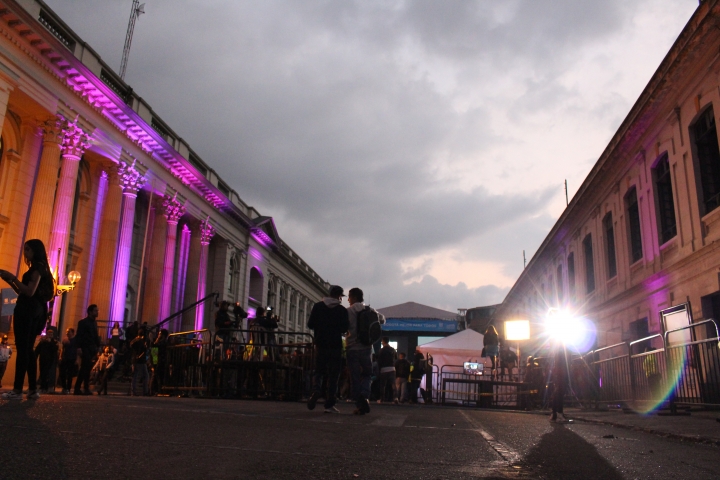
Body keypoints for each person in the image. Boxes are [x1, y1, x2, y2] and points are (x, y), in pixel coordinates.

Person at [0, 239, 54, 400]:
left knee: (23, 348)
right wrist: (10, 280)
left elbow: (29, 292)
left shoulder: (38, 268)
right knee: (28, 349)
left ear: (35, 251)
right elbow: (23, 291)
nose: (25, 253)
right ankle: (31, 389)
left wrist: (13, 278)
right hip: (34, 310)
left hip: (28, 311)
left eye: (28, 249)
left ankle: (17, 389)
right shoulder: (39, 268)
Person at [306, 285, 349, 413]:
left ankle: (316, 391)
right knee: (334, 375)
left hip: (320, 343)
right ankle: (329, 403)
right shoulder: (342, 310)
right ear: (339, 296)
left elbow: (310, 324)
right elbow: (344, 328)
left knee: (319, 371)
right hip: (335, 345)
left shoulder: (318, 306)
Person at [345, 287, 385, 415]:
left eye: (349, 297)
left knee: (354, 376)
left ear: (354, 297)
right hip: (367, 348)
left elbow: (343, 327)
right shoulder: (369, 310)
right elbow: (383, 319)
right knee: (367, 374)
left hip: (351, 347)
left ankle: (359, 403)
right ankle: (365, 396)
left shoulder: (348, 311)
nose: (348, 300)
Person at [75, 304, 101, 395]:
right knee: (84, 368)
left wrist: (98, 346)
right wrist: (79, 347)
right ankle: (77, 388)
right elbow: (79, 336)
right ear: (90, 312)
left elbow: (95, 336)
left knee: (87, 368)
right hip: (85, 347)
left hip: (91, 348)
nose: (97, 312)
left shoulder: (94, 322)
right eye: (95, 311)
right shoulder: (83, 322)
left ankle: (85, 388)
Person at [550, 343, 569, 422]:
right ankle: (558, 413)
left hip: (560, 374)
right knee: (560, 393)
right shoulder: (561, 352)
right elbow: (561, 363)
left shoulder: (558, 351)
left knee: (558, 392)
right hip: (561, 374)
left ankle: (555, 413)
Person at [376, 337, 396, 403]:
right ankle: (395, 398)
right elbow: (395, 358)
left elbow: (379, 360)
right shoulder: (393, 349)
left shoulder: (382, 350)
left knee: (382, 385)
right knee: (393, 384)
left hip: (384, 369)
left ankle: (382, 399)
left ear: (383, 342)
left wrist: (379, 369)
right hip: (392, 368)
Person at [130, 325, 149, 396]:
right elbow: (144, 350)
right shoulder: (141, 342)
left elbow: (131, 345)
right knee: (145, 376)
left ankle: (134, 391)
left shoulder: (134, 341)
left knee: (135, 376)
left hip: (135, 359)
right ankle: (145, 391)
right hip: (141, 360)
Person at [59, 328, 77, 394]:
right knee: (62, 373)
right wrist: (60, 356)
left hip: (72, 359)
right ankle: (64, 387)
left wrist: (76, 359)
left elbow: (77, 350)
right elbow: (62, 349)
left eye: (69, 332)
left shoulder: (75, 340)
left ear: (72, 333)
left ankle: (68, 388)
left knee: (70, 374)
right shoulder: (64, 340)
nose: (67, 333)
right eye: (67, 332)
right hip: (65, 358)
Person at [153, 329, 169, 395]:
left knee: (158, 377)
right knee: (157, 376)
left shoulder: (162, 343)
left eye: (160, 334)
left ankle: (157, 391)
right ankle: (156, 390)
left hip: (160, 361)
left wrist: (154, 362)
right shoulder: (160, 342)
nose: (158, 335)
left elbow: (155, 351)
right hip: (158, 361)